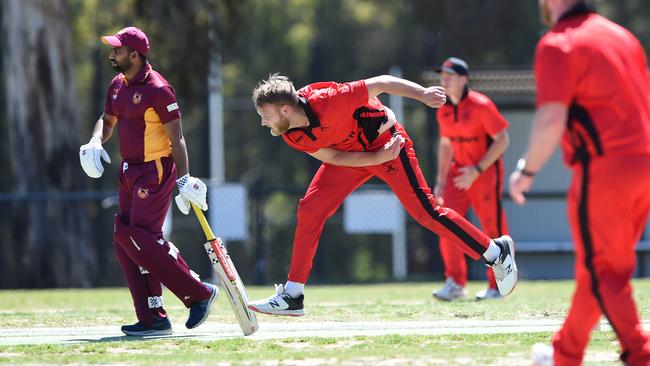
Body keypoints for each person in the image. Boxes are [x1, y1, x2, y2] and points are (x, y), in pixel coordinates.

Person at [247, 73, 519, 316]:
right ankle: (293, 295)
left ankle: (496, 252)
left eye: (266, 115)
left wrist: (423, 94)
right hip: (356, 156)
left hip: (388, 144)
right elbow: (331, 156)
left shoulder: (329, 100)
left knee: (426, 213)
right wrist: (372, 158)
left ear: (285, 109)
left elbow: (381, 83)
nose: (262, 122)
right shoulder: (290, 134)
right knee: (310, 209)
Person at [509, 2, 650, 365]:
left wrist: (526, 171)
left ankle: (640, 353)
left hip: (605, 170)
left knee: (605, 274)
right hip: (643, 165)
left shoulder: (559, 44)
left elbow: (552, 117)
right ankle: (565, 354)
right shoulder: (621, 36)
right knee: (600, 268)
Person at [79, 26, 218, 336]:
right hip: (129, 170)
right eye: (113, 48)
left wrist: (184, 179)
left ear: (135, 54)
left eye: (117, 49)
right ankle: (153, 316)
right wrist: (95, 141)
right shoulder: (117, 84)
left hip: (155, 170)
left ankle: (199, 293)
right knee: (123, 240)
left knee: (140, 239)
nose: (112, 53)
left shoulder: (158, 89)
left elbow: (177, 138)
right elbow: (107, 119)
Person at [431, 57, 511, 302]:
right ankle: (455, 283)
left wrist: (476, 170)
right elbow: (445, 145)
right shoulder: (443, 109)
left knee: (492, 228)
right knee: (446, 223)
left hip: (484, 173)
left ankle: (498, 286)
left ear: (464, 79)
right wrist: (441, 181)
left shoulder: (481, 105)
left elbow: (502, 140)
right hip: (457, 174)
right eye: (442, 75)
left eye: (450, 75)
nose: (444, 79)